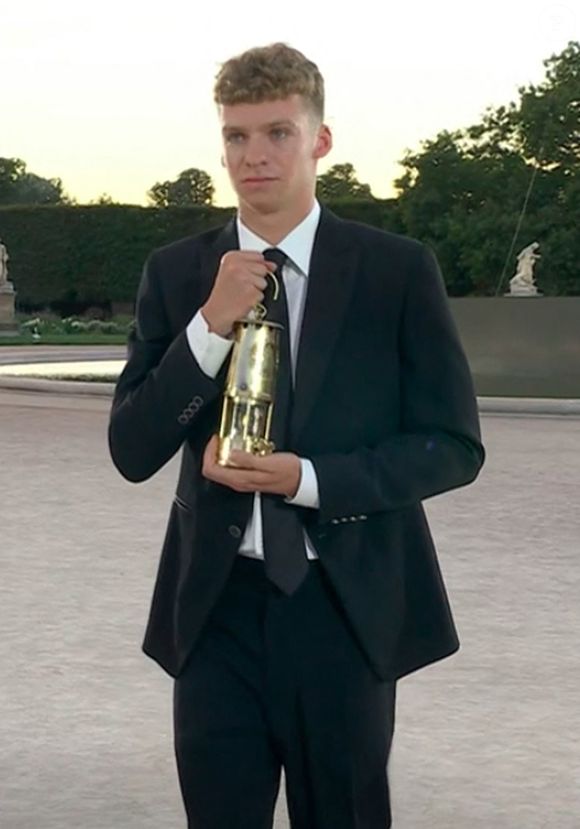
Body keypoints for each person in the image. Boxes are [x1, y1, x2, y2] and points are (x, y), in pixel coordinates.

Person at [108, 42, 485, 829]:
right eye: (237, 136)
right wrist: (208, 326)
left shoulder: (395, 271)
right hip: (215, 611)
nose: (255, 156)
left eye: (278, 133)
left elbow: (452, 444)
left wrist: (308, 479)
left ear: (321, 140)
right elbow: (132, 449)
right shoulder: (177, 274)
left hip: (342, 607)